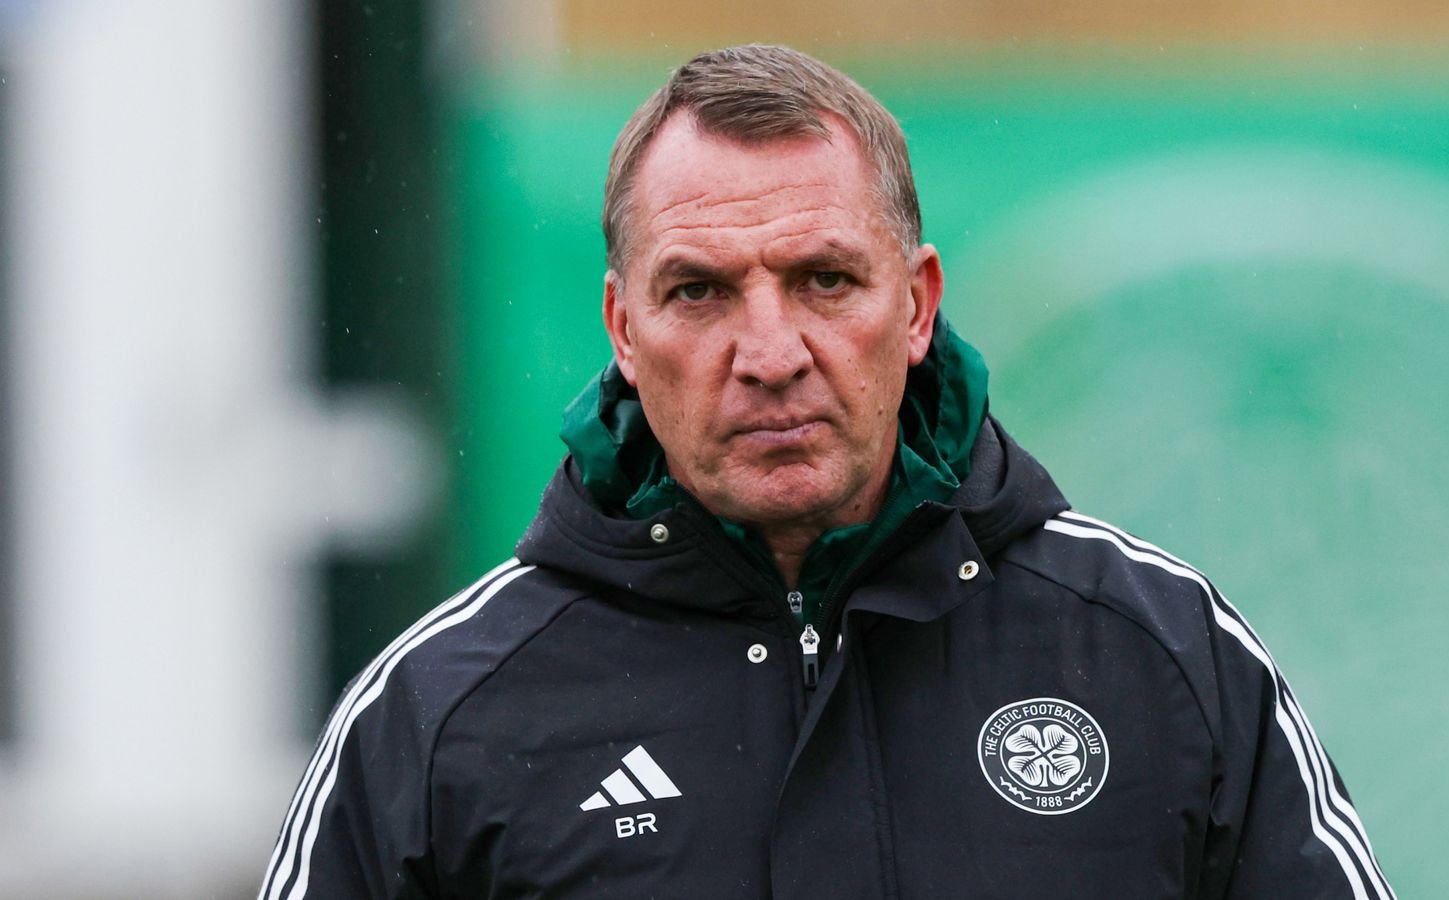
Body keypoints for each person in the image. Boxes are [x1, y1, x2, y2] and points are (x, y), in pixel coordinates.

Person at [259, 44, 1390, 899]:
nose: (768, 354)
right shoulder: (439, 716)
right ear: (620, 325)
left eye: (824, 281)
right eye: (699, 291)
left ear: (916, 303)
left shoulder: (1161, 654)